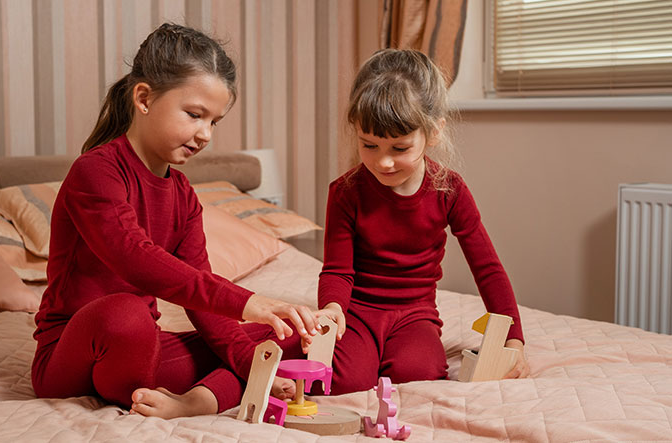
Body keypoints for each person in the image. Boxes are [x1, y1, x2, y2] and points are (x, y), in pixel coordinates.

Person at [31, 23, 318, 419]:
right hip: (75, 356)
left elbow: (200, 295)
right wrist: (247, 301)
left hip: (139, 356)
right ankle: (223, 384)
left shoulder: (183, 194)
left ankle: (199, 401)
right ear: (144, 98)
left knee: (279, 337)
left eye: (214, 122)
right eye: (195, 115)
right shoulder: (95, 171)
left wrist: (251, 351)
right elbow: (137, 258)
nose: (205, 135)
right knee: (127, 314)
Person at [313, 49, 529, 394]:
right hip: (357, 312)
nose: (383, 162)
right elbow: (337, 270)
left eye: (399, 149)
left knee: (420, 374)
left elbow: (487, 268)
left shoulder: (449, 190)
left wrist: (513, 339)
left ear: (433, 132)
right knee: (343, 383)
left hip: (415, 313)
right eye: (369, 145)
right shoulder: (345, 192)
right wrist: (332, 309)